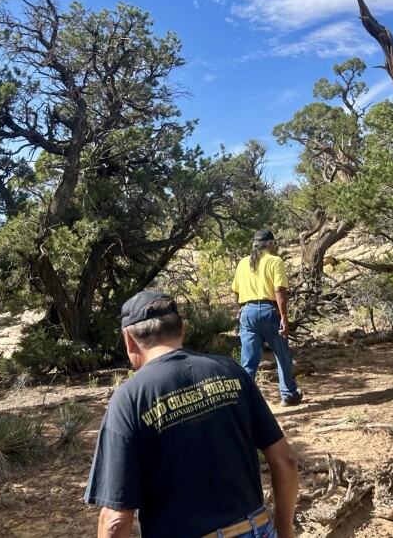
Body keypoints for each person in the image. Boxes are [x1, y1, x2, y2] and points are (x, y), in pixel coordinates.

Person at [84, 290, 299, 538]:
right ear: (181, 329)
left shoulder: (129, 399)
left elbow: (115, 521)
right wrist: (284, 529)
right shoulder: (232, 371)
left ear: (128, 339)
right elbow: (286, 460)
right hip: (255, 529)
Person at [231, 230, 303, 407]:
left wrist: (241, 310)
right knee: (282, 354)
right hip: (269, 311)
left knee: (249, 360)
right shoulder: (275, 261)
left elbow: (236, 291)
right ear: (270, 244)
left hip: (247, 311)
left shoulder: (242, 263)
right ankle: (288, 394)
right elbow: (279, 290)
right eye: (274, 244)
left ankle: (244, 401)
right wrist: (284, 318)